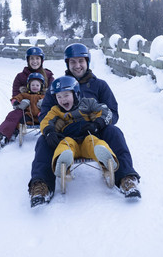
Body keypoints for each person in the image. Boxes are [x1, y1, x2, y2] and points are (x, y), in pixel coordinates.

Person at [29, 43, 140, 206]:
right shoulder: (59, 87)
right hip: (65, 135)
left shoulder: (100, 85)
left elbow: (112, 112)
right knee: (42, 141)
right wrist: (50, 131)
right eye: (73, 62)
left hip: (93, 132)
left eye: (81, 61)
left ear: (87, 61)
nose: (77, 65)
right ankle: (42, 184)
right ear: (67, 64)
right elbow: (46, 113)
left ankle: (125, 178)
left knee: (115, 132)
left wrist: (98, 124)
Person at [29, 76, 118, 206]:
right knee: (65, 145)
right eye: (59, 97)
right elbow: (45, 121)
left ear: (75, 93)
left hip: (87, 137)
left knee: (94, 142)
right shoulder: (56, 110)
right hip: (70, 141)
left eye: (66, 95)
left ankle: (105, 157)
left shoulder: (87, 103)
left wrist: (97, 124)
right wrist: (49, 132)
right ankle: (63, 159)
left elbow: (104, 111)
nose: (63, 99)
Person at [0, 47, 54, 151]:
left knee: (53, 116)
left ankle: (54, 136)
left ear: (42, 60)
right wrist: (19, 103)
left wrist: (45, 103)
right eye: (32, 59)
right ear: (28, 60)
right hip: (26, 110)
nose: (34, 61)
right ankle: (1, 137)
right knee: (13, 115)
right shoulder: (20, 77)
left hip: (42, 109)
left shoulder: (48, 75)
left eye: (37, 58)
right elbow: (15, 95)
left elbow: (54, 94)